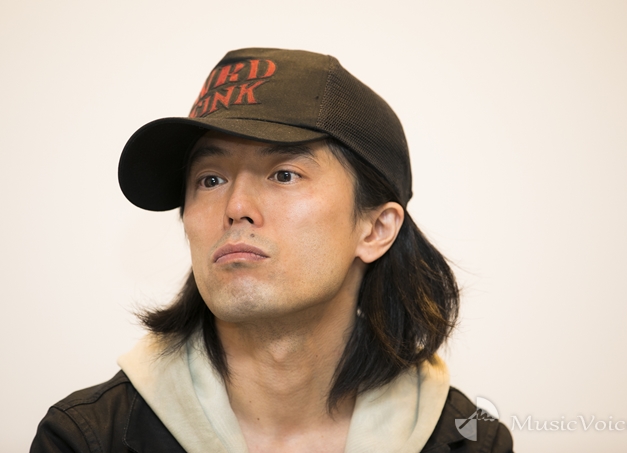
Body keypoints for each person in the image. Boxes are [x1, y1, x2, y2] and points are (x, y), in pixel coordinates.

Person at [31, 48, 513, 452]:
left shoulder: (471, 442)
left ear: (375, 229)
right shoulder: (87, 439)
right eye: (210, 180)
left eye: (284, 174)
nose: (236, 207)